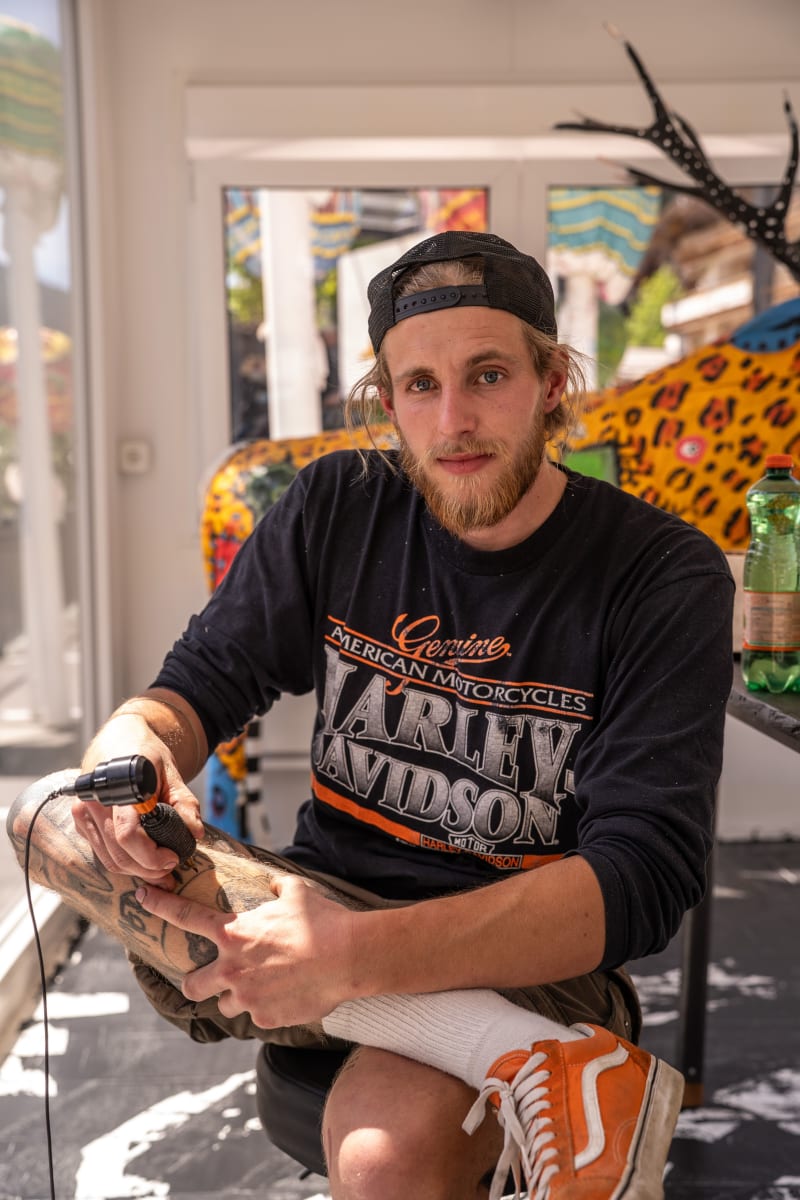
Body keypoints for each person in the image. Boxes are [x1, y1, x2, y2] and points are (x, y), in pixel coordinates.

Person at [9, 231, 734, 1200]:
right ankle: (542, 1071)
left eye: (486, 374)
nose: (454, 420)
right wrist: (132, 767)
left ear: (551, 380)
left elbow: (640, 880)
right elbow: (188, 689)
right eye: (420, 387)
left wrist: (350, 957)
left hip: (523, 958)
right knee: (49, 821)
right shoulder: (335, 509)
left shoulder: (658, 574)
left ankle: (523, 1042)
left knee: (380, 1158)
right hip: (319, 906)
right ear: (384, 401)